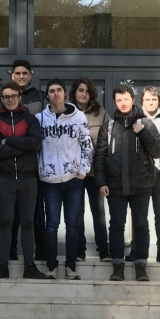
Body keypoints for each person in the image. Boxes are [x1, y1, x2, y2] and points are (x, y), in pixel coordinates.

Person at [95, 84, 160, 283]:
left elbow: (157, 151)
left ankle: (141, 265)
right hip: (115, 185)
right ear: (115, 102)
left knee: (141, 224)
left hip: (141, 184)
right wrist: (101, 182)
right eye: (119, 100)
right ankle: (118, 265)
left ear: (133, 100)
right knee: (116, 225)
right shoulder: (108, 127)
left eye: (126, 99)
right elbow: (99, 157)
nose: (123, 103)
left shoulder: (146, 123)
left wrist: (143, 133)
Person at [0, 82, 47, 279]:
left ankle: (29, 266)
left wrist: (10, 141)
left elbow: (35, 144)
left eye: (13, 96)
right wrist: (23, 147)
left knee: (28, 223)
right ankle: (2, 265)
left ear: (19, 98)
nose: (10, 99)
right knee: (6, 222)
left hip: (28, 178)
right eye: (6, 96)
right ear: (2, 99)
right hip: (4, 179)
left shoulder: (30, 120)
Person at [37, 79, 92, 280]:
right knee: (51, 224)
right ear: (47, 96)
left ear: (65, 94)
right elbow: (35, 148)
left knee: (73, 224)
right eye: (51, 91)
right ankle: (51, 266)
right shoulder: (39, 119)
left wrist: (83, 172)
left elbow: (87, 145)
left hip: (73, 178)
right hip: (49, 180)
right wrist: (41, 171)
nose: (55, 93)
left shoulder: (79, 117)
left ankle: (71, 266)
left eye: (59, 90)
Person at [7, 60, 47, 261]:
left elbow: (43, 132)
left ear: (31, 74)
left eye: (24, 73)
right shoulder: (5, 96)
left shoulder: (40, 96)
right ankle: (11, 252)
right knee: (11, 213)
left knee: (36, 212)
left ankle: (40, 252)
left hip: (34, 164)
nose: (21, 76)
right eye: (18, 73)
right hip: (10, 164)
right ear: (12, 75)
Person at [70, 77, 111, 262]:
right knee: (77, 213)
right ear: (75, 92)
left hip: (95, 171)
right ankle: (80, 250)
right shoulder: (68, 112)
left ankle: (103, 251)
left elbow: (109, 140)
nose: (83, 94)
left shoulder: (101, 113)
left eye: (87, 91)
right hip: (74, 173)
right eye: (80, 90)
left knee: (98, 212)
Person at [134, 86, 160, 263]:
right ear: (141, 101)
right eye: (147, 100)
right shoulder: (134, 119)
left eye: (154, 99)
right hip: (140, 175)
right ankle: (136, 249)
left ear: (159, 101)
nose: (151, 103)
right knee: (139, 215)